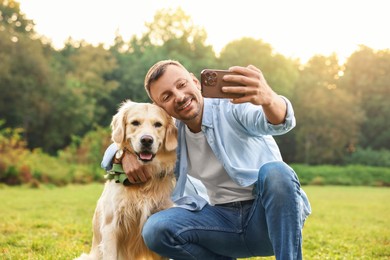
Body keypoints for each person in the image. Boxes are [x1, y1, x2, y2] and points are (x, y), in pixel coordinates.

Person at [101, 60, 311, 260]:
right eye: (166, 96)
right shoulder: (172, 134)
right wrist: (123, 154)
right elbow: (128, 140)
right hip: (220, 223)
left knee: (276, 172)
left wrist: (269, 99)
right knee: (156, 228)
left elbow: (279, 122)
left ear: (194, 81)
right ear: (161, 108)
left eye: (181, 85)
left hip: (268, 220)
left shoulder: (232, 106)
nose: (180, 96)